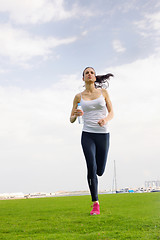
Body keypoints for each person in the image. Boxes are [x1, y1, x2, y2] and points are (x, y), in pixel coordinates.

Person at [70, 67, 114, 215]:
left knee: (100, 170)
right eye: (87, 73)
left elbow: (112, 112)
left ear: (95, 77)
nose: (89, 74)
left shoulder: (104, 93)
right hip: (87, 135)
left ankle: (98, 175)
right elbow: (71, 119)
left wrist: (105, 119)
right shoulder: (78, 97)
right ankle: (95, 203)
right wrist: (75, 115)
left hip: (103, 134)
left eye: (92, 73)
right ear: (83, 78)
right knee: (91, 167)